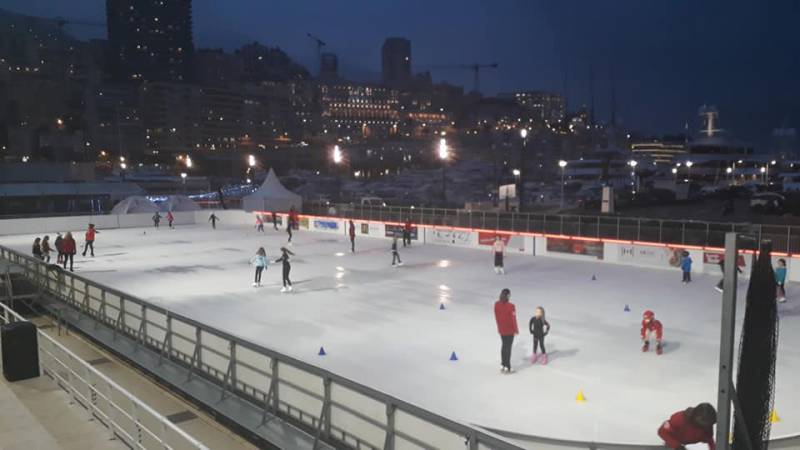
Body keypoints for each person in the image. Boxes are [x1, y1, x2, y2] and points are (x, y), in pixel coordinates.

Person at [494, 288, 519, 373]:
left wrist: (499, 327)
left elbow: (496, 317)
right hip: (509, 330)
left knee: (504, 346)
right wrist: (516, 330)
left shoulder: (496, 304)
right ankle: (508, 367)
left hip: (502, 329)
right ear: (508, 295)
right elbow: (513, 319)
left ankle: (503, 364)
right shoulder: (511, 306)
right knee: (508, 348)